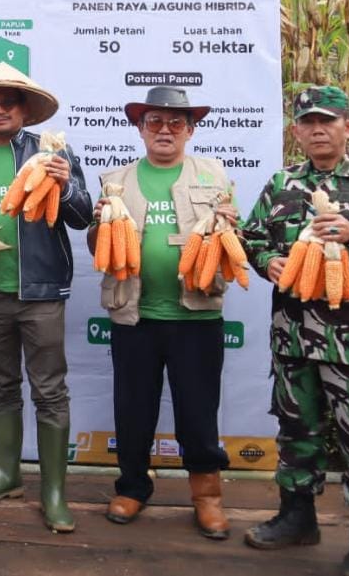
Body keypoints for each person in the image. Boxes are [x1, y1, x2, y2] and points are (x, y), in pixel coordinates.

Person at [242, 85, 349, 576]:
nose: (318, 129)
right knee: (296, 430)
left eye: (327, 121)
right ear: (296, 131)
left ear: (348, 127)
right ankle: (297, 518)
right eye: (308, 122)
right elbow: (252, 237)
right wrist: (268, 261)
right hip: (293, 336)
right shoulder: (282, 184)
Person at [0, 62, 92, 532]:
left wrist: (65, 185)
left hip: (40, 293)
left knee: (49, 390)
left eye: (8, 103)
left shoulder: (51, 154)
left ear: (25, 110)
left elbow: (83, 217)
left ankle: (53, 493)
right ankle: (5, 476)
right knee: (0, 386)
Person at [87, 86, 238, 539]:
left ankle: (207, 497)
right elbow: (98, 249)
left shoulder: (214, 175)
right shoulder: (116, 179)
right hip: (135, 316)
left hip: (197, 317)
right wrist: (99, 224)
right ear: (140, 128)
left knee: (198, 411)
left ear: (190, 130)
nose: (165, 130)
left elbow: (235, 241)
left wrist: (230, 227)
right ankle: (133, 487)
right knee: (133, 409)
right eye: (154, 121)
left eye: (176, 122)